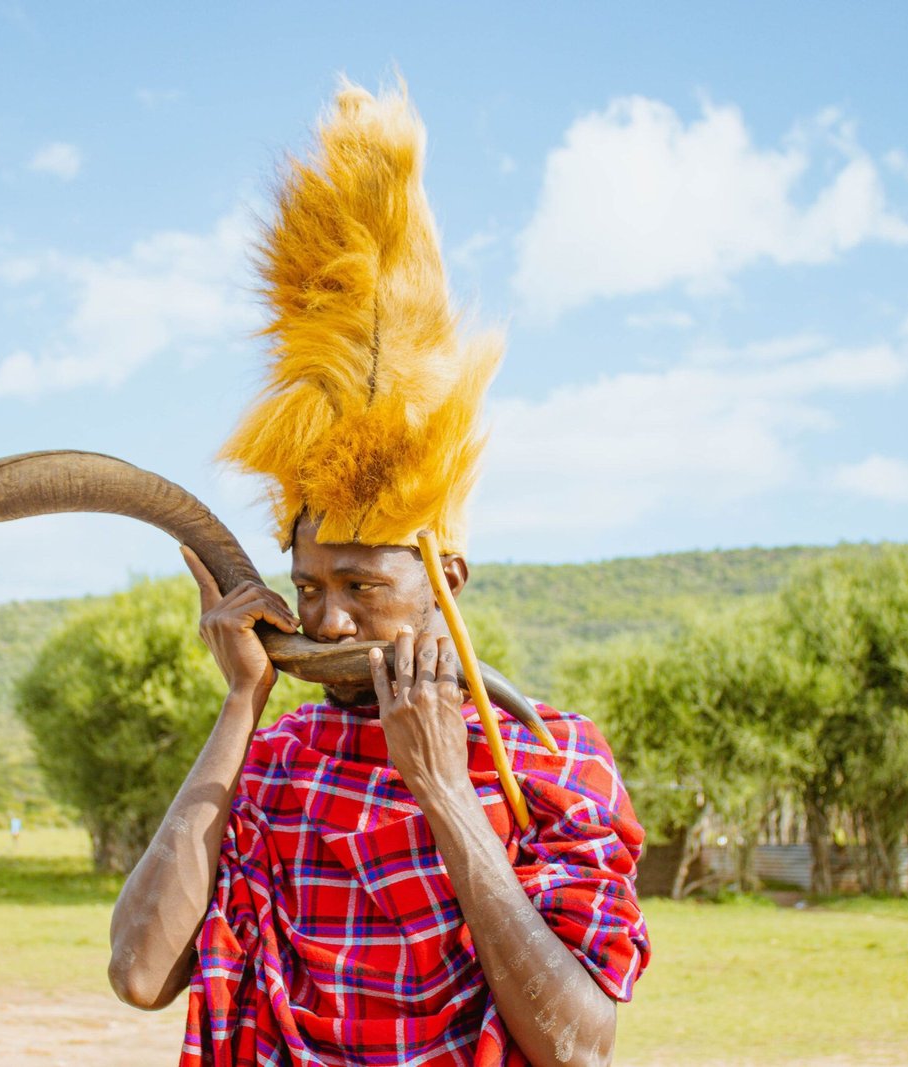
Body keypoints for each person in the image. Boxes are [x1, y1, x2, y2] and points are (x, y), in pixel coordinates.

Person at [108, 83, 648, 1067]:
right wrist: (240, 703)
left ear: (445, 572)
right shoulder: (277, 758)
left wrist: (442, 784)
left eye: (363, 584)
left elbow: (578, 1043)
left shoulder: (549, 761)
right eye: (310, 586)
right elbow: (142, 972)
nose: (327, 618)